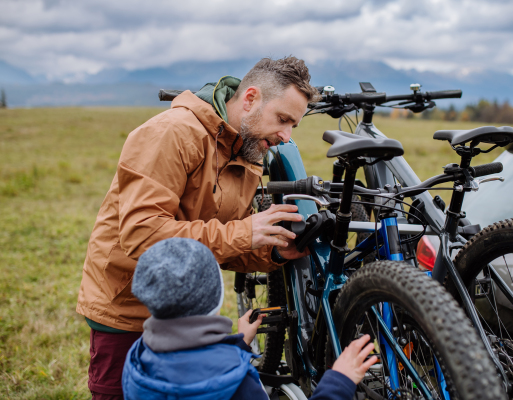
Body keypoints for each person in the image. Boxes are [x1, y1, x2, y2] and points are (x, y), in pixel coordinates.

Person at [76, 56, 321, 399]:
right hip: (129, 310)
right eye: (282, 119)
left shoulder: (246, 153)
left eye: (294, 125)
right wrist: (245, 232)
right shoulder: (171, 133)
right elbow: (142, 234)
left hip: (192, 314)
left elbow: (225, 242)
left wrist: (274, 249)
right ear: (250, 98)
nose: (286, 136)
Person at [122, 238, 378, 400]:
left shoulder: (138, 359)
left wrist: (238, 345)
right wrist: (339, 381)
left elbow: (191, 367)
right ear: (214, 297)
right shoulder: (237, 382)